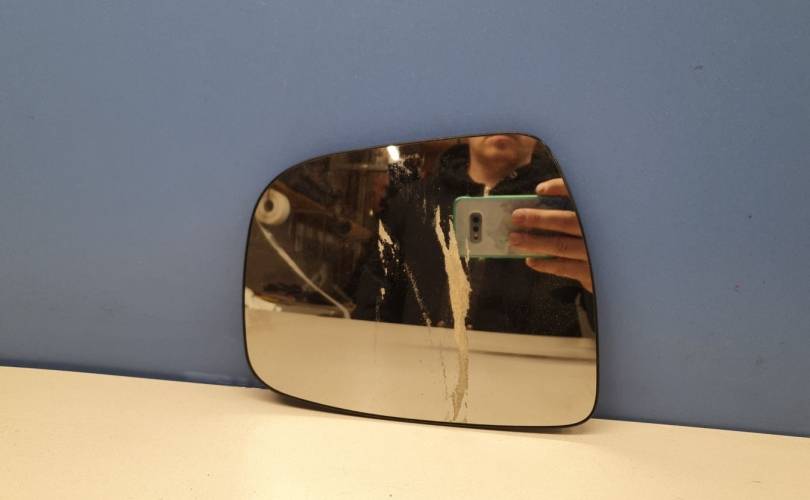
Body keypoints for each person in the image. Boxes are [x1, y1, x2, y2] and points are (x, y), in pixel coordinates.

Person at [352, 134, 594, 337]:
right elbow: (373, 297)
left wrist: (598, 283)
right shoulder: (414, 201)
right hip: (421, 369)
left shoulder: (568, 208)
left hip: (541, 375)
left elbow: (608, 326)